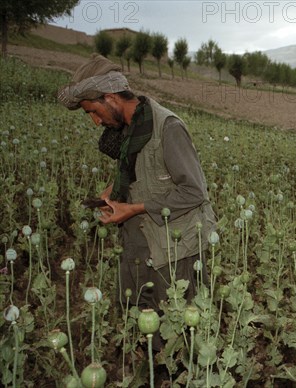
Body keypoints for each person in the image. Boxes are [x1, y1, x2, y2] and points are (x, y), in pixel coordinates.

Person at [58, 53, 216, 321]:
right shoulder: (129, 129)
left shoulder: (168, 127)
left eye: (93, 112)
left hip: (173, 252)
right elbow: (141, 172)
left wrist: (133, 208)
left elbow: (194, 192)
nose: (95, 121)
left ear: (110, 98)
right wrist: (113, 191)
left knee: (175, 326)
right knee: (137, 320)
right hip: (138, 245)